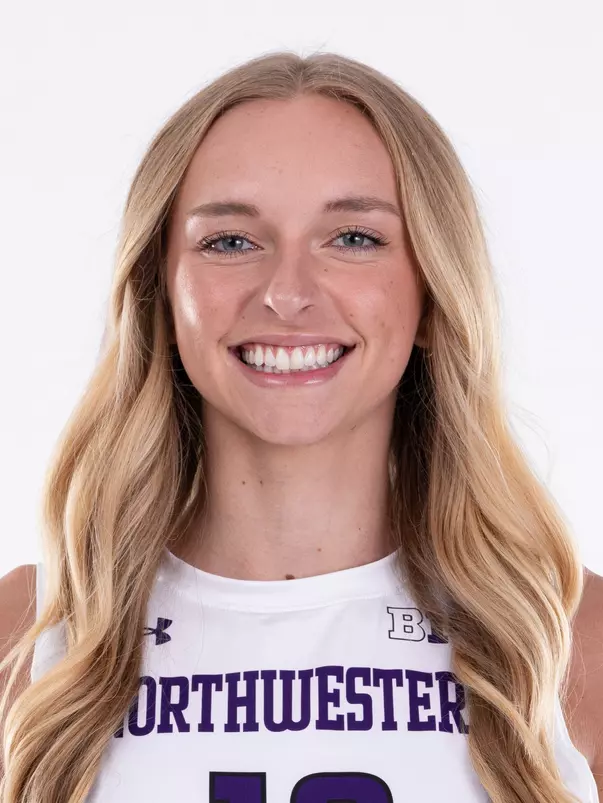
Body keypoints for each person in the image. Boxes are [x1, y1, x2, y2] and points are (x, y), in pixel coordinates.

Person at [0, 50, 601, 803]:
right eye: (229, 241)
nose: (287, 294)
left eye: (353, 237)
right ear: (160, 289)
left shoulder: (568, 638)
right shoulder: (28, 635)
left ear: (433, 290)